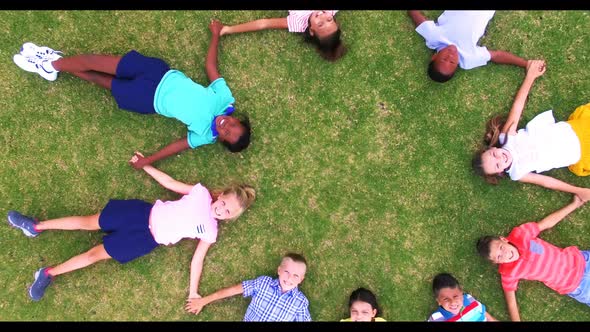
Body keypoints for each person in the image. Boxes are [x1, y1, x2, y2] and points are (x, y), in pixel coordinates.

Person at [6, 154, 255, 302]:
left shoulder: (210, 232)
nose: (221, 210)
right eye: (223, 203)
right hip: (139, 213)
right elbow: (169, 182)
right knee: (87, 222)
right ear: (220, 194)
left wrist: (193, 292)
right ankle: (35, 226)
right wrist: (145, 164)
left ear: (230, 218)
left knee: (94, 256)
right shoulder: (200, 193)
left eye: (227, 212)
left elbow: (197, 260)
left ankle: (48, 274)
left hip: (145, 240)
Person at [12, 20, 251, 169]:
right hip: (157, 72)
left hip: (147, 99)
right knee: (93, 61)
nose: (225, 126)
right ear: (237, 118)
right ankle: (52, 64)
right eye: (233, 125)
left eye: (226, 134)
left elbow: (178, 145)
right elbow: (211, 68)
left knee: (98, 78)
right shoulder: (224, 98)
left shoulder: (205, 135)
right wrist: (215, 36)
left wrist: (148, 160)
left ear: (220, 140)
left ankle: (51, 64)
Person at [472, 60, 590, 201]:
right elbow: (546, 182)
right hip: (581, 154)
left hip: (578, 129)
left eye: (493, 154)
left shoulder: (507, 138)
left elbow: (517, 107)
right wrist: (578, 190)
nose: (500, 158)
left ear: (491, 148)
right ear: (500, 172)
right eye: (497, 165)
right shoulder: (517, 173)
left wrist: (530, 76)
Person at [477, 195, 589, 321]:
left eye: (502, 248)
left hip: (582, 260)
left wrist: (574, 205)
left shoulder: (520, 234)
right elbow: (511, 302)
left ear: (504, 239)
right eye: (499, 256)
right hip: (577, 285)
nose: (506, 254)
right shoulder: (508, 273)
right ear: (497, 262)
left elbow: (546, 223)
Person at [408, 11, 534, 83]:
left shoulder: (433, 37)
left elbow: (415, 15)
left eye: (444, 59)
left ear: (434, 57)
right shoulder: (469, 58)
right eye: (452, 61)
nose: (451, 55)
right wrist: (525, 64)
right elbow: (496, 56)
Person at [185, 252, 311, 321]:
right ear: (279, 270)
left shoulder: (300, 302)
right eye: (286, 272)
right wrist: (203, 301)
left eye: (295, 276)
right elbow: (233, 290)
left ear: (301, 279)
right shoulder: (263, 283)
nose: (289, 278)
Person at [220, 10, 345, 62]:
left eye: (321, 24)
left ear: (312, 30)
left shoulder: (298, 23)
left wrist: (228, 29)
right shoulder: (330, 11)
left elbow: (264, 24)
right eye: (330, 20)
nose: (324, 16)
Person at [427, 273, 497, 322]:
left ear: (461, 293)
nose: (453, 302)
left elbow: (482, 311)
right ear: (439, 301)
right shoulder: (437, 318)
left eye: (455, 296)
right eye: (446, 299)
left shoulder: (469, 300)